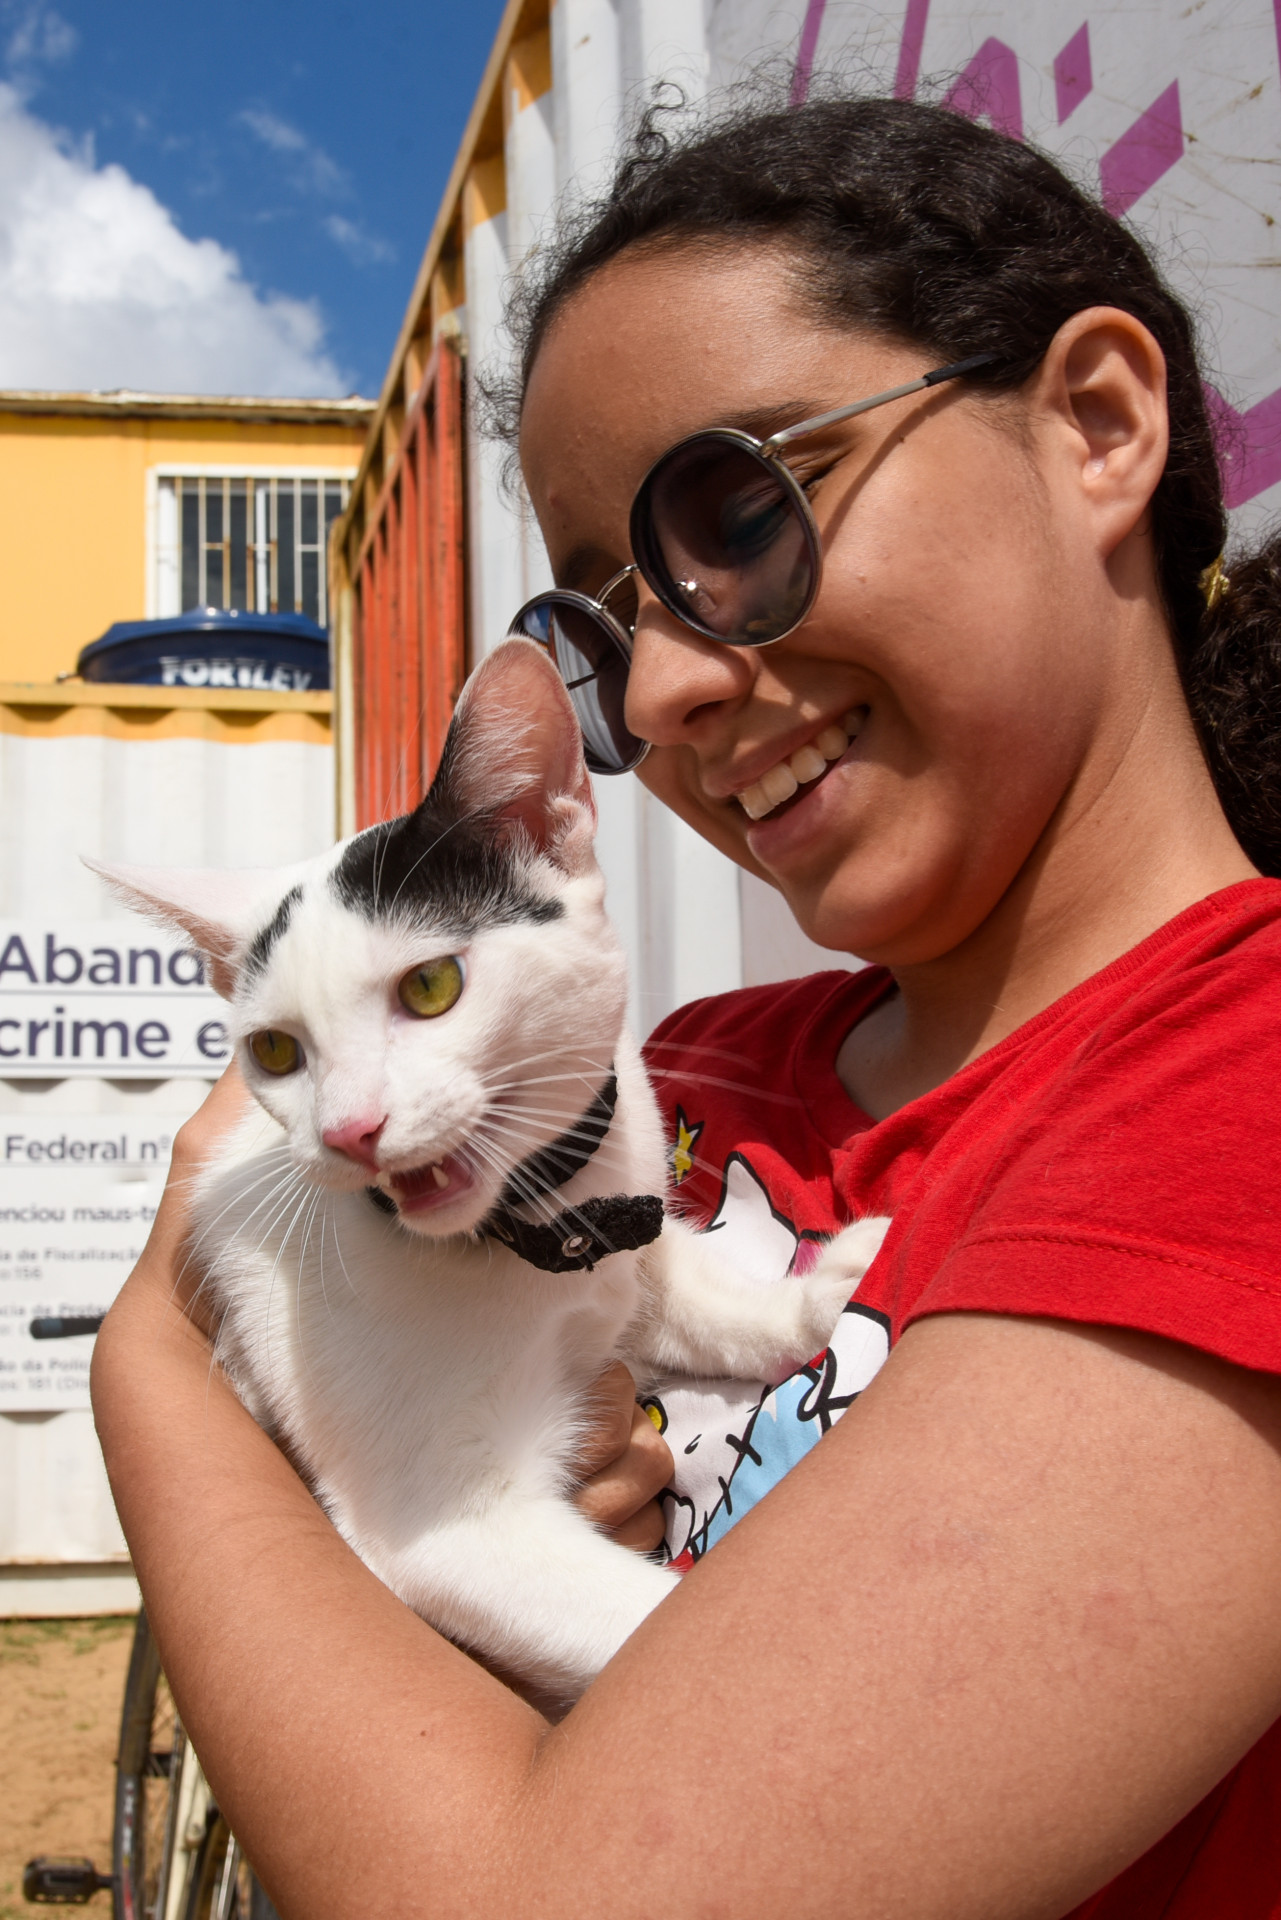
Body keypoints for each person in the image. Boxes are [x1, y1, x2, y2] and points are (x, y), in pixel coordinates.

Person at [92, 91, 1281, 1920]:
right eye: (598, 614)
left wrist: (156, 1367)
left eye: (742, 507)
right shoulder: (684, 1075)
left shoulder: (1234, 1089)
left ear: (1097, 424)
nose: (650, 691)